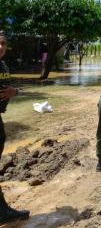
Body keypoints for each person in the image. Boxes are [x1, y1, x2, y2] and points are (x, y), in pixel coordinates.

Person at [0, 32, 30, 223]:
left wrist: (14, 91)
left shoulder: (3, 65)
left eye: (3, 43)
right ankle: (3, 213)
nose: (1, 46)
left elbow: (9, 88)